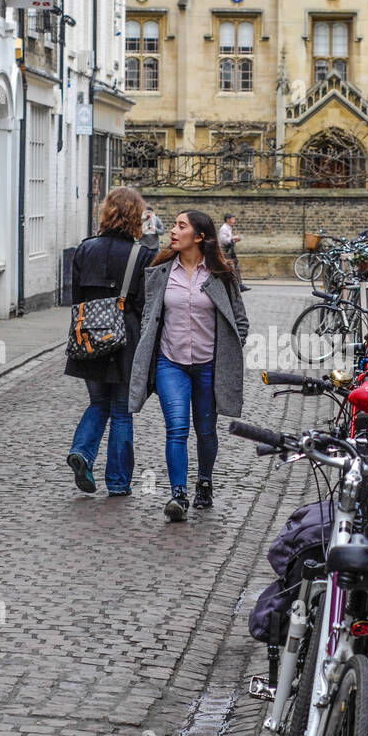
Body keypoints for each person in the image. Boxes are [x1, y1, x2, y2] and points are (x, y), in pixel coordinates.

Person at [129, 209, 249, 522]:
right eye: (174, 225)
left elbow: (240, 320)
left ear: (199, 237)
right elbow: (150, 315)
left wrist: (231, 352)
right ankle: (178, 495)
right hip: (172, 363)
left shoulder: (221, 275)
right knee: (177, 429)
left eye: (181, 226)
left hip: (209, 365)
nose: (172, 231)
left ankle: (204, 481)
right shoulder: (161, 272)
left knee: (206, 430)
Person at [65, 186, 151, 496]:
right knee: (121, 411)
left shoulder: (85, 249)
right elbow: (145, 305)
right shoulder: (143, 254)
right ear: (135, 216)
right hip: (125, 337)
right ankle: (117, 483)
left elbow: (74, 298)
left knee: (98, 402)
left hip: (88, 335)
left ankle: (82, 452)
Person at [218, 213, 251, 292]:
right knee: (229, 267)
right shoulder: (224, 228)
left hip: (230, 250)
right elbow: (224, 241)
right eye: (233, 219)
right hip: (225, 251)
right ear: (228, 220)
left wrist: (235, 240)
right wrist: (233, 238)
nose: (234, 221)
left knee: (235, 266)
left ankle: (239, 285)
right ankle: (231, 285)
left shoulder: (228, 228)